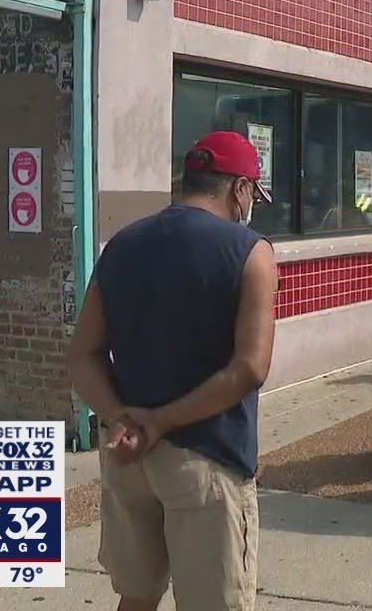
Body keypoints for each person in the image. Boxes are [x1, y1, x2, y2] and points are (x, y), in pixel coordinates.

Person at [67, 130, 276, 611]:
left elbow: (82, 355)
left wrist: (123, 415)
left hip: (129, 458)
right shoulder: (250, 252)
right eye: (251, 194)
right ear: (239, 189)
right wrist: (162, 421)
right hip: (208, 459)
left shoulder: (122, 245)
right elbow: (249, 368)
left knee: (135, 597)